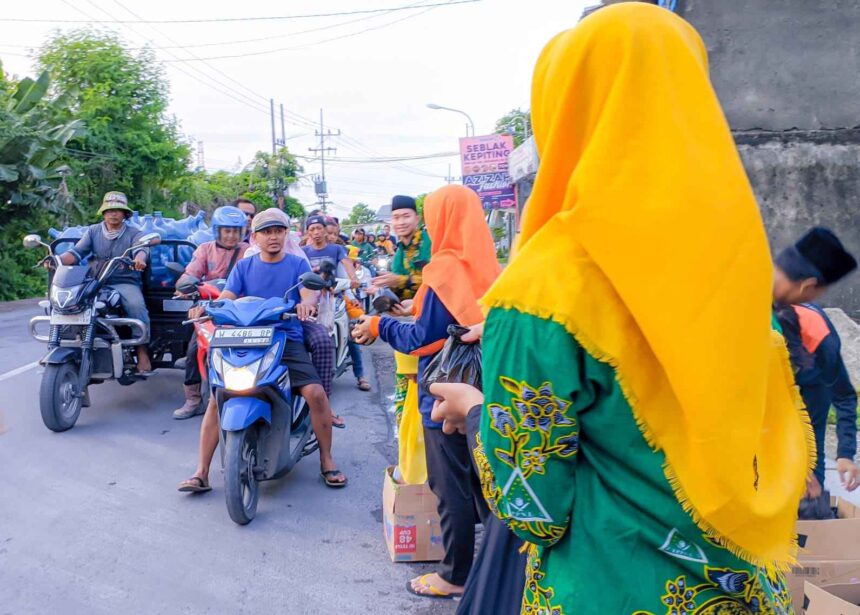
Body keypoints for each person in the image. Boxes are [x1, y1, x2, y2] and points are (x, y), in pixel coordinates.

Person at [428, 5, 809, 612]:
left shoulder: (547, 287)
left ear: (564, 110)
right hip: (746, 589)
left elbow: (536, 511)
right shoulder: (733, 260)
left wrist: (477, 409)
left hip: (608, 588)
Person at [353, 185, 501, 600]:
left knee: (449, 482)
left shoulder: (445, 268)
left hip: (445, 393)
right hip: (482, 389)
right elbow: (451, 318)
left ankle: (455, 575)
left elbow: (423, 339)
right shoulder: (486, 265)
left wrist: (381, 326)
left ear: (443, 220)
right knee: (482, 480)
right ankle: (500, 566)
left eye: (431, 215)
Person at [178, 208, 346, 492]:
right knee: (216, 399)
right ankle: (201, 472)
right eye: (266, 232)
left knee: (315, 393)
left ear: (285, 235)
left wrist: (306, 304)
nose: (273, 237)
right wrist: (208, 307)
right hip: (246, 337)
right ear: (254, 237)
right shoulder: (244, 267)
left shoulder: (296, 265)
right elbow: (228, 296)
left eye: (278, 231)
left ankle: (326, 459)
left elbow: (308, 293)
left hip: (284, 337)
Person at [773, 227, 859, 517]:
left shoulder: (817, 334)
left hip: (810, 400)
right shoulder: (743, 310)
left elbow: (844, 395)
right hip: (759, 416)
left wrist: (846, 453)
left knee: (810, 490)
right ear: (807, 285)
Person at [60, 191, 153, 373]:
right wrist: (56, 259)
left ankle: (142, 351)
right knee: (70, 302)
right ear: (103, 212)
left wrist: (140, 258)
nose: (113, 213)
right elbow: (77, 252)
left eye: (118, 210)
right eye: (109, 210)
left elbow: (142, 249)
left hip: (124, 281)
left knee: (137, 306)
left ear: (125, 213)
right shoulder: (93, 231)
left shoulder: (134, 233)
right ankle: (64, 345)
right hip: (95, 281)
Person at [172, 205, 249, 419]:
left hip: (240, 309)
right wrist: (184, 286)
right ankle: (193, 400)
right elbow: (190, 274)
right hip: (208, 307)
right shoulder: (204, 249)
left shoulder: (249, 251)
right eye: (227, 230)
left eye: (236, 231)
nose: (232, 235)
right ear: (217, 230)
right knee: (193, 350)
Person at [372, 196, 429, 299]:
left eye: (406, 216)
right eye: (396, 218)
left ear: (417, 219)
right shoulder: (399, 251)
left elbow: (438, 282)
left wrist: (399, 280)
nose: (401, 222)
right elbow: (398, 282)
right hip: (412, 310)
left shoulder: (430, 242)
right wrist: (384, 286)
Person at [303, 214, 359, 287]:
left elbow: (347, 263)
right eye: (312, 229)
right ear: (308, 232)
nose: (316, 232)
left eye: (319, 228)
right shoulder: (303, 251)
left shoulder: (337, 248)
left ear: (325, 230)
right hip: (311, 290)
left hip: (333, 289)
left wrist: (354, 278)